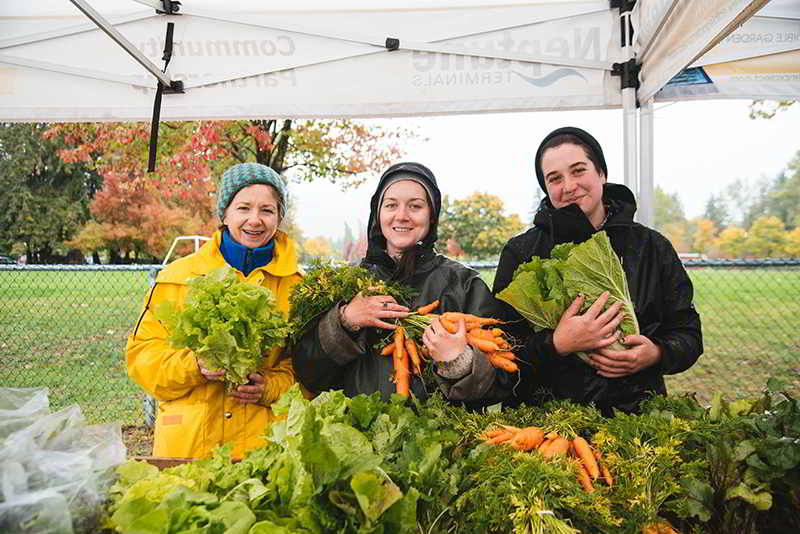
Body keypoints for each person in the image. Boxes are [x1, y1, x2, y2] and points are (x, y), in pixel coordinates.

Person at [493, 127, 702, 415]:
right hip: (549, 421)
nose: (568, 186)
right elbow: (502, 348)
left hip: (636, 416)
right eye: (554, 179)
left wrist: (656, 353)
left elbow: (688, 334)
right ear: (546, 189)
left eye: (579, 171)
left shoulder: (652, 247)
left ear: (601, 173)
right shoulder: (521, 252)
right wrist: (556, 343)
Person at [293, 162, 510, 405]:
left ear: (431, 215)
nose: (402, 215)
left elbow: (504, 382)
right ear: (378, 214)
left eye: (415, 206)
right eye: (391, 205)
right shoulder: (344, 284)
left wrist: (460, 362)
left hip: (441, 439)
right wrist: (344, 320)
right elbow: (308, 375)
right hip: (355, 438)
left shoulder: (463, 283)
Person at [126, 162, 302, 458]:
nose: (255, 220)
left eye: (267, 210)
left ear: (279, 217)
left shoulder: (298, 288)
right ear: (224, 214)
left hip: (264, 449)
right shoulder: (177, 278)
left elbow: (309, 371)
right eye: (243, 208)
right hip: (190, 446)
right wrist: (194, 365)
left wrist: (269, 387)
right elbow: (142, 359)